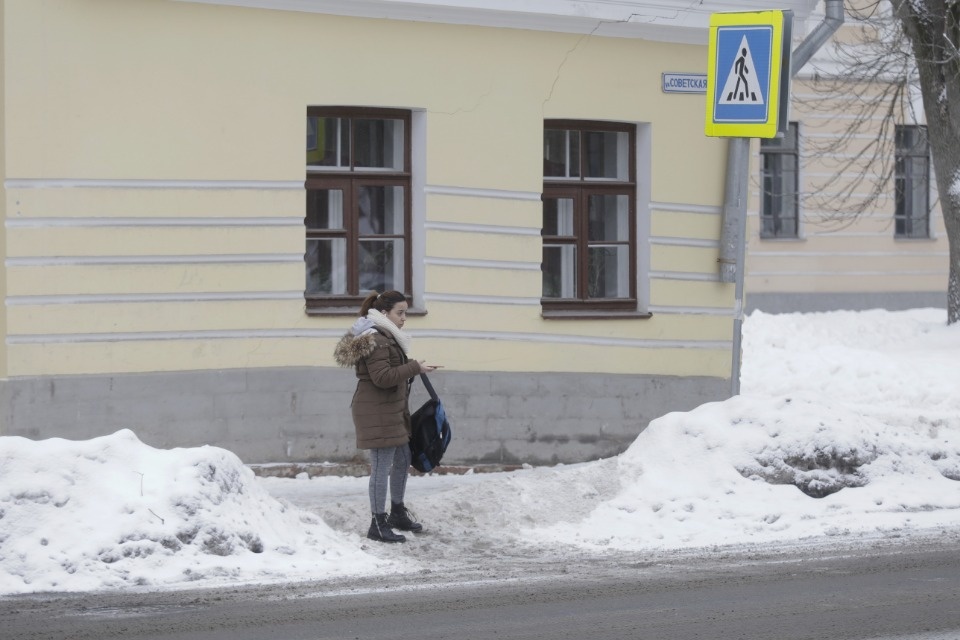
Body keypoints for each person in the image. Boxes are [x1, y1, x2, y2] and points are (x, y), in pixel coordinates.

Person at [333, 290, 440, 543]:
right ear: (384, 314)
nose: (404, 318)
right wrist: (414, 367)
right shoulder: (377, 339)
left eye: (405, 313)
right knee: (382, 467)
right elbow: (382, 378)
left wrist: (414, 366)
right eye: (399, 313)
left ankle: (397, 513)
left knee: (403, 457)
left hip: (390, 409)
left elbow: (389, 368)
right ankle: (377, 523)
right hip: (377, 411)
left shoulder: (387, 337)